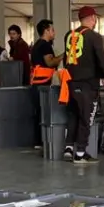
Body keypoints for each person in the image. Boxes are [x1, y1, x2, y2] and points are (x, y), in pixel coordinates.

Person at [62, 7, 104, 163]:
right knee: (87, 117)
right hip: (87, 84)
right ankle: (80, 153)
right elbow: (101, 58)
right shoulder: (94, 36)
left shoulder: (69, 36)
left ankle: (69, 148)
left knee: (73, 115)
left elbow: (66, 59)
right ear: (92, 18)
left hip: (70, 82)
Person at [29, 20, 62, 151]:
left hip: (37, 83)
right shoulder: (45, 45)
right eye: (52, 30)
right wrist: (64, 56)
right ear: (46, 31)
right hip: (42, 84)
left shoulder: (37, 44)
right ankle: (43, 141)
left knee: (39, 113)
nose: (54, 32)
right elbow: (49, 63)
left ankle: (39, 141)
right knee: (44, 113)